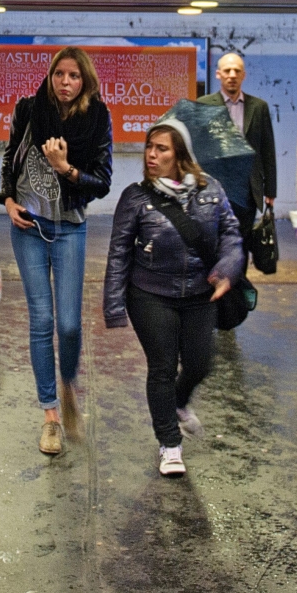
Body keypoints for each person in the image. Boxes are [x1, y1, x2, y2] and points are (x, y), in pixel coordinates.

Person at [104, 120, 245, 477]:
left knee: (200, 364)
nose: (151, 155)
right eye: (149, 147)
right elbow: (119, 251)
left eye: (161, 148)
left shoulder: (211, 189)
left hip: (200, 292)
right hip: (150, 293)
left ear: (180, 154)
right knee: (163, 367)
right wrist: (114, 304)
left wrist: (228, 268)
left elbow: (231, 234)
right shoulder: (136, 197)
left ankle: (179, 404)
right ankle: (169, 444)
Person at [0, 47, 114, 454]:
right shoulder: (29, 109)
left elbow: (103, 181)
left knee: (68, 324)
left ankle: (68, 386)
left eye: (73, 76)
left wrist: (66, 169)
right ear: (50, 77)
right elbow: (10, 157)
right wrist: (8, 200)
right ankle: (49, 415)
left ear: (85, 81)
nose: (65, 82)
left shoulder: (98, 118)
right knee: (42, 320)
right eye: (59, 74)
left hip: (70, 228)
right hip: (28, 225)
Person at [196, 50, 278, 260]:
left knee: (240, 245)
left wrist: (271, 190)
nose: (232, 74)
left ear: (243, 75)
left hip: (247, 191)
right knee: (212, 243)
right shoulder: (204, 105)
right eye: (227, 70)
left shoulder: (259, 107)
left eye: (237, 71)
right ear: (218, 74)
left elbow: (267, 150)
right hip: (214, 188)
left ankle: (237, 290)